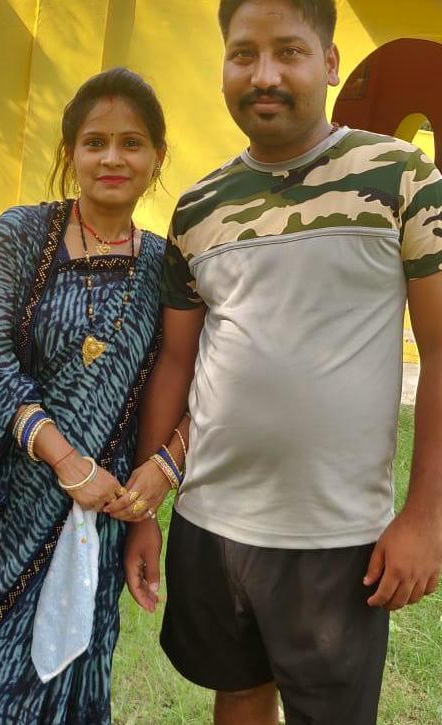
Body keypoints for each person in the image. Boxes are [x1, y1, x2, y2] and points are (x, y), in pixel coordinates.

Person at [122, 1, 442, 724]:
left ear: (329, 63)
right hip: (211, 521)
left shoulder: (400, 178)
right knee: (237, 693)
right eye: (243, 54)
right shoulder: (199, 208)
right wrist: (146, 511)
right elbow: (177, 361)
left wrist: (427, 516)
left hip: (335, 537)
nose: (263, 74)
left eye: (289, 52)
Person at [0, 67, 188, 724]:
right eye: (95, 142)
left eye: (131, 143)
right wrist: (67, 462)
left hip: (98, 522)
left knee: (74, 689)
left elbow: (191, 380)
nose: (112, 158)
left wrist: (146, 507)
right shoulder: (17, 236)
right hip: (8, 515)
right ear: (70, 152)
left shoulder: (165, 267)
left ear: (157, 157)